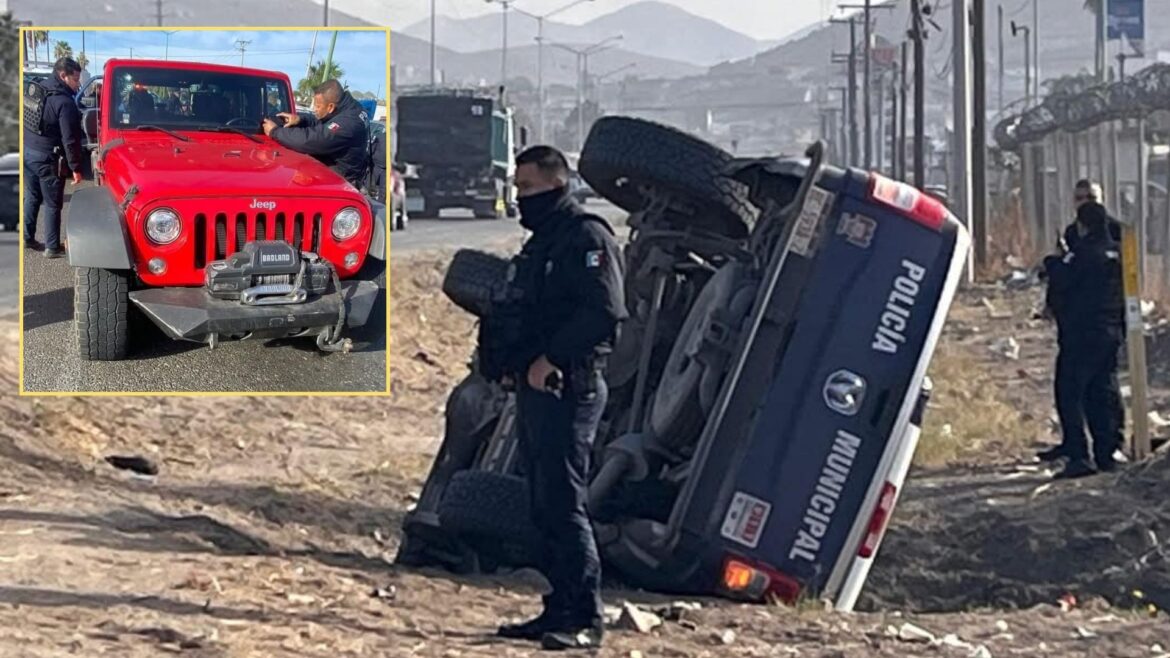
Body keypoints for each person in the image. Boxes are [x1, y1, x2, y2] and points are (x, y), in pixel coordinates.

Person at [494, 145, 626, 650]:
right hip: (535, 389)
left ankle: (585, 617)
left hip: (569, 385)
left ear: (556, 185)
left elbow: (604, 312)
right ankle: (558, 606)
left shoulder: (586, 237)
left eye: (527, 188)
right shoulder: (542, 244)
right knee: (543, 503)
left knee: (565, 502)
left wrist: (552, 359)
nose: (520, 197)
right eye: (518, 188)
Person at [1042, 199, 1126, 479]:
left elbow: (1063, 276)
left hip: (1082, 335)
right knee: (1102, 393)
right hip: (1111, 333)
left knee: (1069, 392)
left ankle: (1079, 455)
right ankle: (1106, 453)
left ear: (1083, 225)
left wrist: (1052, 261)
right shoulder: (1117, 253)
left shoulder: (1082, 253)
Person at [24, 56, 83, 258]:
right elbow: (70, 139)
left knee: (32, 196)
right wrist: (76, 167)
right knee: (52, 203)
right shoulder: (64, 103)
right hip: (47, 157)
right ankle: (52, 247)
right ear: (62, 75)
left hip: (28, 151)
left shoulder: (39, 89)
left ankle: (26, 237)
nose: (78, 84)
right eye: (75, 79)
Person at [261, 79, 368, 189]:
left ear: (330, 107)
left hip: (341, 182)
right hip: (335, 173)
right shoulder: (349, 107)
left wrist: (275, 131)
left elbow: (312, 140)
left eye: (318, 106)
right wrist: (300, 119)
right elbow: (325, 122)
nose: (314, 110)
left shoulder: (348, 122)